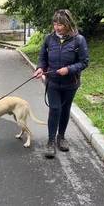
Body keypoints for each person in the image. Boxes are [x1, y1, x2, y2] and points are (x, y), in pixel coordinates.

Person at [33, 9, 89, 159]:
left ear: (68, 24)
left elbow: (84, 62)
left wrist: (69, 69)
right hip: (52, 82)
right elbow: (42, 58)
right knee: (55, 109)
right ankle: (51, 141)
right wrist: (40, 68)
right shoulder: (49, 39)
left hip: (71, 82)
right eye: (55, 24)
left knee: (65, 110)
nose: (57, 27)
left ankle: (61, 137)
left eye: (61, 25)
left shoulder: (79, 40)